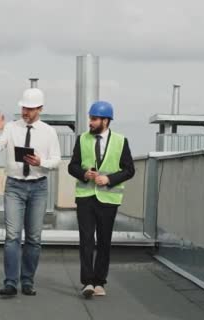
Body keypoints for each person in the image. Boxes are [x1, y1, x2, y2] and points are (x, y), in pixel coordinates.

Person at [0, 88, 61, 297]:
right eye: (23, 107)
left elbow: (56, 161)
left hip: (38, 186)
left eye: (30, 108)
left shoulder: (48, 132)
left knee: (34, 237)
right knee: (12, 236)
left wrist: (41, 162)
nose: (25, 111)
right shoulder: (10, 128)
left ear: (40, 109)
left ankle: (27, 281)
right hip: (14, 186)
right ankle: (11, 282)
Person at [67, 101, 135, 298]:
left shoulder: (121, 141)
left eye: (94, 119)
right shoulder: (82, 139)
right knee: (86, 240)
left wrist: (110, 179)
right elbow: (72, 166)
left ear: (106, 121)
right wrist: (84, 174)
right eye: (90, 118)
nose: (90, 122)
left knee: (104, 241)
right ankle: (87, 282)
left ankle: (99, 282)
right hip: (85, 197)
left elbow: (129, 170)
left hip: (108, 199)